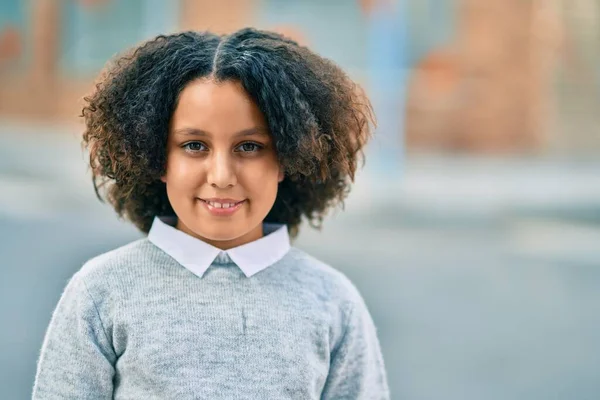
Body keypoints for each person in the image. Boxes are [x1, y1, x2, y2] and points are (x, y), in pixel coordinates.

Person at [32, 28, 390, 399]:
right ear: (157, 157)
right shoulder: (100, 292)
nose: (221, 177)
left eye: (249, 146)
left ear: (286, 157)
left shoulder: (332, 302)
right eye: (194, 145)